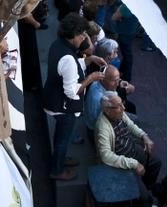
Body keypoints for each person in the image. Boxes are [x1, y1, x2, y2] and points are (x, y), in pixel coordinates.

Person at [44, 13, 105, 180]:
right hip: (63, 106)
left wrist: (89, 59)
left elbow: (67, 67)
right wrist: (90, 79)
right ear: (74, 35)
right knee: (63, 140)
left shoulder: (58, 45)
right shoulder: (68, 57)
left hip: (52, 98)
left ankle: (60, 158)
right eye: (83, 34)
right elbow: (72, 92)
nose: (84, 38)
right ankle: (57, 170)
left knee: (60, 137)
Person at [95, 93, 161, 190]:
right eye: (119, 106)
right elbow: (106, 156)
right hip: (122, 161)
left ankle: (147, 186)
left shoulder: (118, 113)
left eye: (122, 104)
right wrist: (134, 164)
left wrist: (144, 136)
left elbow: (131, 126)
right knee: (143, 197)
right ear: (107, 110)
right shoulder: (102, 127)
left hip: (133, 148)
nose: (123, 108)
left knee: (156, 163)